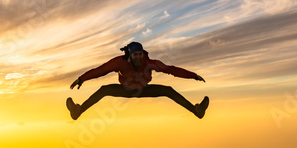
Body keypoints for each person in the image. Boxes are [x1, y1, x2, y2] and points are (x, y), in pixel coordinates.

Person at [66, 42, 209, 120]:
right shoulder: (119, 62)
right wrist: (81, 79)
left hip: (143, 90)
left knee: (168, 91)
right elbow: (100, 70)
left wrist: (193, 75)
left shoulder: (150, 63)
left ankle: (196, 111)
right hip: (125, 90)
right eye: (136, 54)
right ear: (130, 54)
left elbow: (171, 70)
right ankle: (78, 111)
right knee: (104, 90)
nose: (139, 57)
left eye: (140, 54)